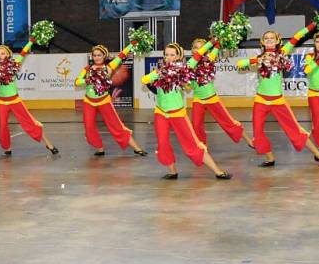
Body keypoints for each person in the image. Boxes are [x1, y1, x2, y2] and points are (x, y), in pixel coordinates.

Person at [237, 28, 319, 167]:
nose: (269, 40)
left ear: (277, 41)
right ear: (263, 42)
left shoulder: (282, 53)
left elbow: (296, 37)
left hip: (278, 101)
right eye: (266, 38)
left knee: (295, 129)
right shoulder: (259, 58)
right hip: (261, 100)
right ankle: (270, 158)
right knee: (257, 133)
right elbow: (240, 64)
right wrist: (258, 59)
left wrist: (313, 25)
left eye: (272, 38)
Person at [142, 43, 232, 180]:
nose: (169, 57)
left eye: (172, 54)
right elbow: (144, 79)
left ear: (179, 56)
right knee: (163, 143)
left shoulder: (184, 68)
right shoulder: (161, 70)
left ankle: (218, 171)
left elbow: (198, 55)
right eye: (166, 54)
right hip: (160, 112)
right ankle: (172, 172)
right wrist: (155, 74)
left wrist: (212, 42)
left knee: (192, 143)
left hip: (177, 113)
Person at [0, 38, 58, 155]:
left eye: (3, 53)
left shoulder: (13, 65)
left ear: (8, 54)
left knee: (30, 122)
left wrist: (31, 41)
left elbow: (23, 53)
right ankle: (7, 148)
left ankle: (49, 144)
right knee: (2, 126)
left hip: (15, 100)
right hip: (2, 102)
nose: (0, 56)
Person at [75, 43, 147, 156]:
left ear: (104, 56)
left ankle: (136, 148)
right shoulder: (87, 69)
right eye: (94, 55)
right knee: (89, 127)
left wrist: (131, 44)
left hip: (104, 100)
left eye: (99, 55)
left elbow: (122, 55)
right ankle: (100, 148)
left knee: (116, 125)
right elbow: (77, 82)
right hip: (89, 101)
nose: (97, 57)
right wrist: (87, 81)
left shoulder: (109, 67)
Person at [188, 38, 254, 148]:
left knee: (228, 121)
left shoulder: (210, 58)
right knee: (196, 125)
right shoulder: (190, 64)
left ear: (207, 50)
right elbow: (188, 83)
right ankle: (203, 149)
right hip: (198, 99)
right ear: (191, 50)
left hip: (211, 98)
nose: (198, 50)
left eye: (201, 47)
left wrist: (220, 34)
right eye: (195, 47)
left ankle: (249, 140)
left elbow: (218, 45)